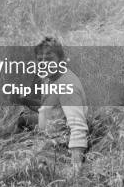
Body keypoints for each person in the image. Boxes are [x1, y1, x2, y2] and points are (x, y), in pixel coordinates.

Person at [34, 36, 89, 172]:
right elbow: (50, 104)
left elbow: (78, 128)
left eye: (49, 59)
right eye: (40, 59)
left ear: (62, 61)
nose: (43, 63)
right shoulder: (50, 77)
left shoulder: (67, 86)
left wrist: (76, 170)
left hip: (59, 148)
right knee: (21, 118)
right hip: (47, 138)